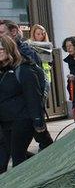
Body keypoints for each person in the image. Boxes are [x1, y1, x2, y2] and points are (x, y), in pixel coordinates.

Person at [0, 35, 45, 173]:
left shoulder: (24, 69)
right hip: (5, 120)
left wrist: (38, 122)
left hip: (22, 119)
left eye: (1, 49)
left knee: (17, 157)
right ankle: (42, 167)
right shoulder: (2, 70)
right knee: (14, 154)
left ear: (9, 49)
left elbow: (33, 97)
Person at [26, 25, 54, 150]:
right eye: (38, 33)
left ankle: (42, 136)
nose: (41, 36)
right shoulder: (28, 45)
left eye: (42, 33)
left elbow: (49, 61)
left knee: (41, 105)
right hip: (35, 76)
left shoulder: (47, 45)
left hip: (45, 76)